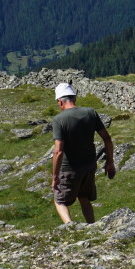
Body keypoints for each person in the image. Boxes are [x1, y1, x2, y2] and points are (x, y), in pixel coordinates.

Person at [51, 82, 116, 223]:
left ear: (60, 101)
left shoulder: (58, 120)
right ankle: (92, 226)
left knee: (60, 201)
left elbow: (58, 152)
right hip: (89, 165)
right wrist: (110, 163)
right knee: (84, 197)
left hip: (69, 168)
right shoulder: (90, 112)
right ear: (74, 98)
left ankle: (70, 227)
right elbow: (107, 139)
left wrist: (55, 176)